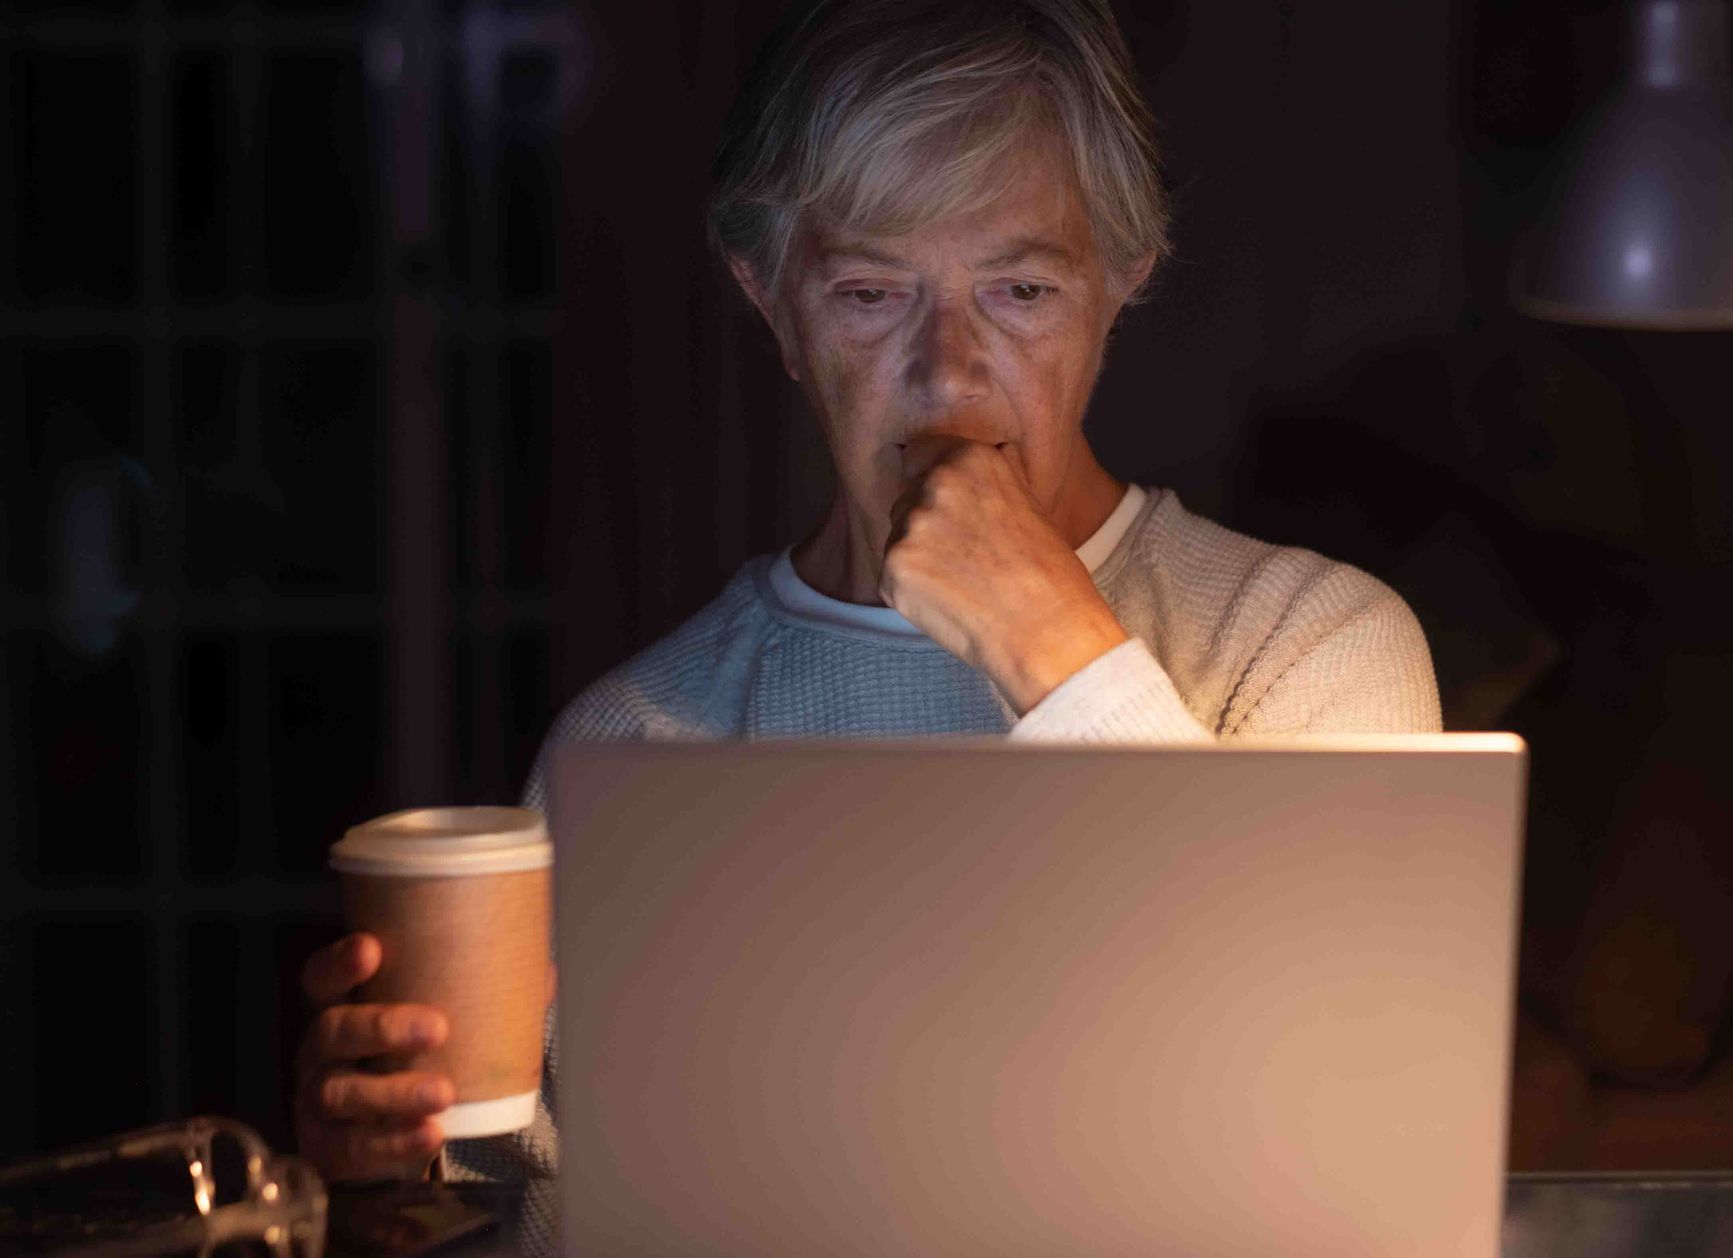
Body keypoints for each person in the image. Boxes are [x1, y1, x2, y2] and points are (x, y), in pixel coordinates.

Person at [292, 0, 1441, 1247]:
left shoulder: (1315, 646)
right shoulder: (633, 741)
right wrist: (385, 1188)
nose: (948, 372)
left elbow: (1328, 1179)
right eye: (869, 291)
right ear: (770, 298)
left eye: (1021, 288)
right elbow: (548, 1229)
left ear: (1124, 278)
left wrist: (1056, 650)